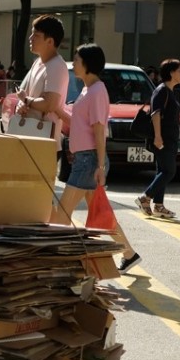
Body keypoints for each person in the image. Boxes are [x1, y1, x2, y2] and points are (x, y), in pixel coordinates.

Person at [55, 44, 141, 274]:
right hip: (85, 159)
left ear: (88, 64)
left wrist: (101, 165)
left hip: (89, 161)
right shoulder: (86, 90)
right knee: (101, 214)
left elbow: (98, 129)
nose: (73, 64)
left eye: (77, 59)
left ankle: (53, 260)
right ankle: (129, 254)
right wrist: (56, 109)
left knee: (62, 213)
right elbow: (77, 124)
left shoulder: (97, 92)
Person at [134, 58, 180, 219]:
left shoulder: (168, 91)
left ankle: (159, 205)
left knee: (162, 170)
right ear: (171, 73)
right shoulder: (162, 90)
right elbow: (155, 113)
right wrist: (158, 136)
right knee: (169, 171)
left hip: (168, 137)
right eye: (179, 71)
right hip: (163, 138)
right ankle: (145, 198)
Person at [16, 14, 69, 158]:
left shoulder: (57, 66)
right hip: (29, 136)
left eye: (36, 35)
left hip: (44, 141)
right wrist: (21, 103)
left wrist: (26, 101)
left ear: (50, 41)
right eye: (32, 33)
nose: (30, 38)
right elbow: (22, 92)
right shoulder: (38, 62)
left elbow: (50, 104)